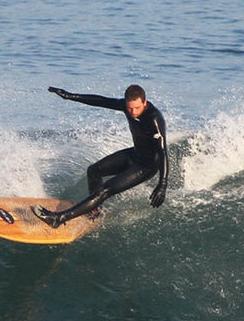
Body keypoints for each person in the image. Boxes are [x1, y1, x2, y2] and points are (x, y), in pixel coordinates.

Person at [33, 83, 168, 227]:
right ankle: (95, 210)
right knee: (94, 170)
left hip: (146, 166)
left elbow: (163, 152)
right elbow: (101, 101)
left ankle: (58, 219)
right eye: (130, 108)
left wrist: (162, 184)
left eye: (137, 108)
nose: (133, 112)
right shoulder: (126, 106)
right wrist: (70, 96)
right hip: (134, 154)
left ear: (144, 102)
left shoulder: (154, 120)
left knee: (104, 191)